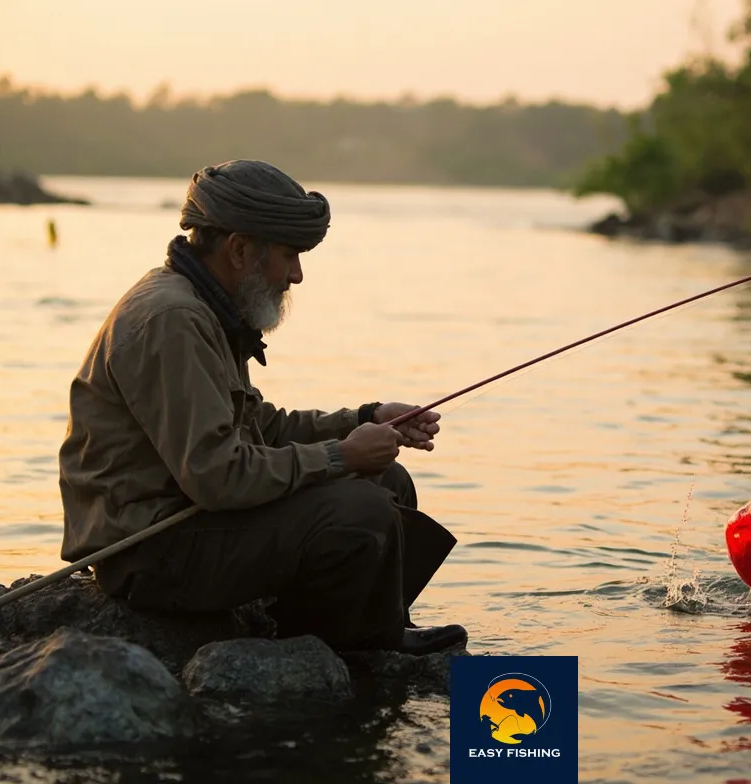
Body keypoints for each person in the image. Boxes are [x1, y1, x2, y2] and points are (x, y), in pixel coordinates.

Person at [57, 159, 467, 656]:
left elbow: (260, 428)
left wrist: (365, 419)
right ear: (239, 249)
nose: (296, 275)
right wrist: (342, 456)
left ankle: (378, 628)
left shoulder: (205, 305)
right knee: (362, 509)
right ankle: (337, 652)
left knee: (389, 482)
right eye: (290, 255)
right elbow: (217, 473)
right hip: (148, 553)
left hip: (195, 523)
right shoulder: (174, 319)